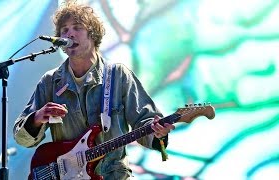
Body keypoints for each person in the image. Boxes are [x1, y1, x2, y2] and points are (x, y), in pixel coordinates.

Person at [13, 1, 175, 179]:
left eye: (77, 27)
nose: (69, 33)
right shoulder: (50, 82)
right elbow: (22, 139)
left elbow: (146, 122)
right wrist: (36, 119)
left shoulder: (117, 75)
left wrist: (158, 133)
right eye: (64, 30)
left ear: (92, 34)